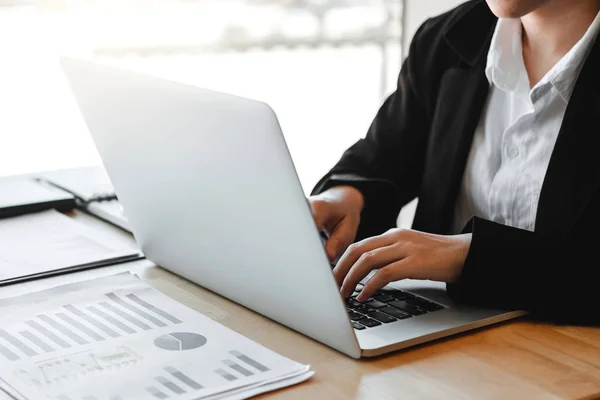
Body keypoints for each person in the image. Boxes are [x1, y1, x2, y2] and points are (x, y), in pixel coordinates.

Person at [309, 0, 600, 324]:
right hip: (433, 349)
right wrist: (347, 195)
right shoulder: (445, 40)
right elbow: (383, 159)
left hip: (568, 364)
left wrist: (468, 256)